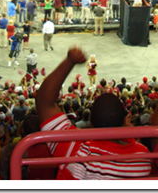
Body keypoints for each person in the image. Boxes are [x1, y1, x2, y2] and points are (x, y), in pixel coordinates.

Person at [36, 46, 152, 179]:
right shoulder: (142, 158)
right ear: (125, 120)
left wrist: (70, 61)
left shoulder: (76, 150)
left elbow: (43, 101)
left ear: (90, 121)